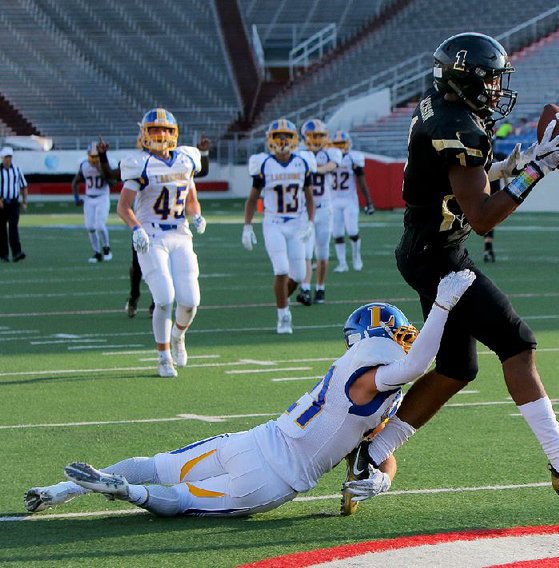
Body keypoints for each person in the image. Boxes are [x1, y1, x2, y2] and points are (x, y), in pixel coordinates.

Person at [345, 32, 559, 502]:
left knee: (457, 368)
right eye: (491, 80)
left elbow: (446, 181)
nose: (497, 89)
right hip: (440, 256)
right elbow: (480, 217)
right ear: (466, 79)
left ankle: (371, 455)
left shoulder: (442, 107)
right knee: (517, 344)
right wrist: (533, 171)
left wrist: (498, 171)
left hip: (428, 247)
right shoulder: (458, 128)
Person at [24, 270, 476, 517]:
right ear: (381, 337)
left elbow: (376, 445)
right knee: (180, 500)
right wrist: (441, 306)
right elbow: (415, 368)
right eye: (398, 333)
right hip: (272, 481)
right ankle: (129, 493)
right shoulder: (370, 377)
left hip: (254, 441)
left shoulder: (365, 378)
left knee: (159, 464)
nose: (405, 340)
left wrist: (382, 476)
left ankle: (64, 488)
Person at [116, 108, 207, 377]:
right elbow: (123, 206)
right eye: (154, 129)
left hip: (180, 233)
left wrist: (197, 214)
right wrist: (136, 228)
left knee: (190, 301)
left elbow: (190, 196)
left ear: (174, 133)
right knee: (164, 298)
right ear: (144, 133)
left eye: (165, 130)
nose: (160, 135)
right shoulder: (140, 163)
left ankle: (178, 336)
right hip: (152, 236)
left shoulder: (186, 159)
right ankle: (163, 355)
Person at [98, 135, 210, 318]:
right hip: (146, 226)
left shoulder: (180, 160)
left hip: (175, 227)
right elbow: (110, 175)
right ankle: (134, 295)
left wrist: (203, 152)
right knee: (137, 266)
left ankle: (155, 302)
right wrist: (102, 156)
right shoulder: (140, 163)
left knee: (167, 271)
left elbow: (201, 172)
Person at [242, 119, 315, 334]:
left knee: (300, 274)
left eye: (287, 136)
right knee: (282, 269)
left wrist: (310, 222)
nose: (282, 141)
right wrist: (247, 226)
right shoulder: (264, 163)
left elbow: (310, 197)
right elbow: (252, 199)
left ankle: (281, 299)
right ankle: (283, 315)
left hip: (297, 222)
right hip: (273, 222)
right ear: (270, 140)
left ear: (294, 140)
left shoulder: (302, 163)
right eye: (277, 136)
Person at [296, 119, 342, 305]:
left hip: (324, 210)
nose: (316, 139)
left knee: (322, 254)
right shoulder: (298, 153)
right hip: (305, 211)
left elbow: (331, 166)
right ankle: (305, 289)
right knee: (306, 252)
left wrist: (314, 168)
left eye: (320, 135)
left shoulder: (332, 152)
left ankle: (320, 288)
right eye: (313, 135)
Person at [330, 130, 375, 279]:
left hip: (349, 200)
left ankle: (356, 258)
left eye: (342, 144)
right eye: (337, 144)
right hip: (333, 200)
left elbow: (362, 182)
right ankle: (342, 263)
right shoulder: (329, 158)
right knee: (337, 233)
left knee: (352, 231)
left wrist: (369, 202)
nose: (340, 147)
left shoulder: (353, 158)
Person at [72, 142, 113, 263]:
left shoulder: (106, 164)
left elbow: (112, 182)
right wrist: (76, 198)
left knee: (100, 225)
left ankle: (106, 248)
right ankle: (97, 252)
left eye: (96, 157)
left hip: (102, 197)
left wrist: (101, 170)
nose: (94, 159)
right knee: (90, 227)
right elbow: (75, 182)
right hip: (89, 198)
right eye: (92, 156)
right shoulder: (84, 165)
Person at [0, 147, 28, 263]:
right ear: (2, 158)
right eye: (6, 157)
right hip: (1, 204)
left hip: (13, 203)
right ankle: (3, 254)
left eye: (10, 157)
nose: (8, 160)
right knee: (1, 230)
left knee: (13, 229)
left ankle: (17, 253)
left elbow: (23, 186)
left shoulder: (17, 170)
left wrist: (24, 201)